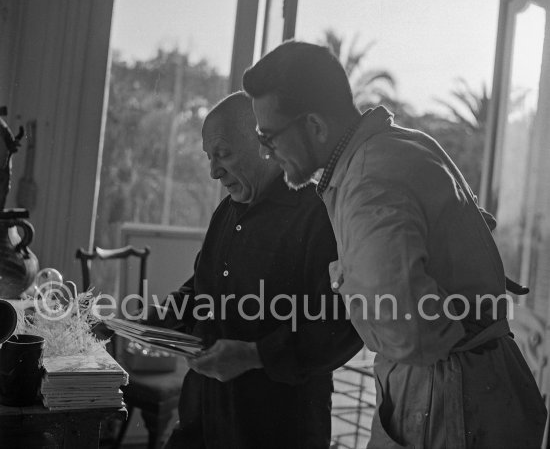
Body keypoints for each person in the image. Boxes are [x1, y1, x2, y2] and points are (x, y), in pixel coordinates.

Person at [243, 41, 548, 449]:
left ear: (314, 125)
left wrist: (343, 278)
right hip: (478, 386)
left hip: (446, 401)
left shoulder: (369, 183)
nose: (265, 151)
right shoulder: (402, 145)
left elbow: (412, 336)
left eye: (268, 135)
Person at [146, 91, 363, 449]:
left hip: (276, 426)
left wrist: (253, 356)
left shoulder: (317, 214)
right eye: (209, 157)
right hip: (204, 414)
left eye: (223, 154)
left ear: (264, 144)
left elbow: (343, 324)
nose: (214, 171)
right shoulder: (227, 210)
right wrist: (154, 319)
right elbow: (203, 288)